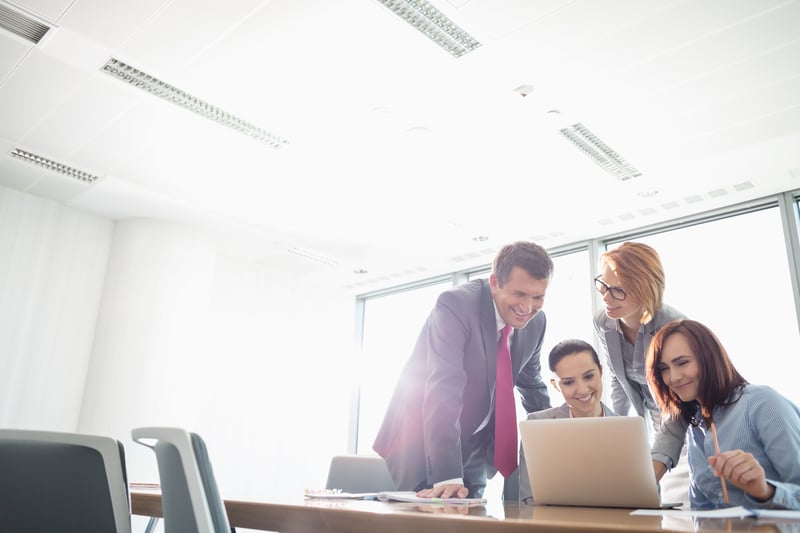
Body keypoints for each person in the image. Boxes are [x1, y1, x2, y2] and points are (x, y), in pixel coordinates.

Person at [373, 241, 554, 499]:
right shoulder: (456, 305)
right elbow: (443, 387)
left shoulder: (537, 323)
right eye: (519, 294)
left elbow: (532, 385)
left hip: (476, 445)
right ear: (494, 282)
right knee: (429, 521)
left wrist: (557, 444)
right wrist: (447, 475)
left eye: (538, 297)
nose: (528, 308)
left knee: (471, 520)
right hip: (421, 437)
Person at [646, 319, 800, 510]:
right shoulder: (695, 426)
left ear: (709, 358)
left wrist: (764, 491)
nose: (673, 377)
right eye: (664, 369)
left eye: (682, 363)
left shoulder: (762, 404)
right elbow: (700, 510)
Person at [592, 242, 687, 481]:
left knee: (678, 488)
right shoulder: (604, 322)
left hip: (685, 421)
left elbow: (682, 401)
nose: (606, 296)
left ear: (645, 288)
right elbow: (616, 378)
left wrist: (658, 458)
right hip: (653, 420)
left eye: (618, 290)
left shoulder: (673, 326)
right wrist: (616, 432)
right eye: (603, 285)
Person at [518, 339, 617, 503]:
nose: (583, 389)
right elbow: (529, 499)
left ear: (601, 371)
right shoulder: (537, 427)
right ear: (556, 385)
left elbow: (647, 497)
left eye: (589, 376)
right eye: (569, 382)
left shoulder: (630, 431)